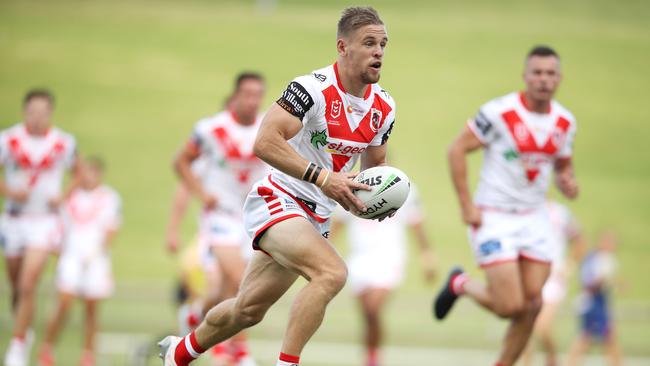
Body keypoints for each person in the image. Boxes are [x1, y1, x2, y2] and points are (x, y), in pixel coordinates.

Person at [158, 6, 396, 366]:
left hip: (316, 216)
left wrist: (375, 199)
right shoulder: (311, 89)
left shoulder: (384, 108)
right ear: (342, 47)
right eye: (369, 43)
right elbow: (265, 142)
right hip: (279, 199)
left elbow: (373, 169)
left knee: (248, 309)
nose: (378, 51)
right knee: (331, 273)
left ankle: (179, 352)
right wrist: (323, 178)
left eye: (383, 44)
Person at [434, 45, 579, 366]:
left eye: (550, 73)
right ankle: (461, 284)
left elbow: (562, 165)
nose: (543, 80)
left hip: (535, 218)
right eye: (537, 73)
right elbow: (456, 150)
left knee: (534, 304)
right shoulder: (499, 113)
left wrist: (567, 181)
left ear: (559, 79)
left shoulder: (565, 122)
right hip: (494, 216)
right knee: (510, 306)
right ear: (525, 77)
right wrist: (466, 205)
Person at [171, 72, 269, 366]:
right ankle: (238, 351)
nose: (252, 101)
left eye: (257, 95)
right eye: (247, 94)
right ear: (236, 95)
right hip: (221, 217)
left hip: (253, 216)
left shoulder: (268, 127)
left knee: (226, 290)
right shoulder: (211, 129)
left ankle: (197, 315)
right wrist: (202, 194)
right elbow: (181, 162)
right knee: (242, 279)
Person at [1, 89, 78, 366]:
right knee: (16, 285)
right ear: (24, 112)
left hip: (45, 219)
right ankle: (24, 325)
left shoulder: (63, 143)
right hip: (14, 218)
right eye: (32, 112)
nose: (37, 118)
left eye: (43, 112)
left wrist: (63, 195)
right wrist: (9, 191)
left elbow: (78, 173)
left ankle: (17, 345)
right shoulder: (8, 140)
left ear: (50, 113)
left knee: (29, 281)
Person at [330, 183, 436, 366]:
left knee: (373, 308)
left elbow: (416, 223)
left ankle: (372, 359)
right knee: (367, 314)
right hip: (359, 257)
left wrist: (426, 254)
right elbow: (338, 223)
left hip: (390, 256)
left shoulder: (404, 187)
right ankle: (371, 356)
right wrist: (326, 251)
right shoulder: (352, 186)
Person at [36, 157, 121, 366]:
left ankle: (87, 355)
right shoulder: (70, 196)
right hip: (71, 256)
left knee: (92, 308)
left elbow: (111, 228)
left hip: (95, 257)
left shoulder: (109, 197)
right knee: (64, 302)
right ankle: (47, 348)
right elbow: (58, 226)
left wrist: (98, 252)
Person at [522, 200, 586, 366]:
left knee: (541, 327)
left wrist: (568, 267)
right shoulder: (523, 209)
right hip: (530, 276)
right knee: (525, 331)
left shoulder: (560, 212)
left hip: (553, 278)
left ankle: (552, 358)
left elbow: (579, 240)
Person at [566, 231, 623, 366]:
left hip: (600, 304)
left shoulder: (607, 258)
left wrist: (613, 283)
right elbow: (588, 283)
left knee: (605, 337)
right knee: (590, 337)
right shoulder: (594, 259)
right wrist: (604, 281)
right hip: (592, 305)